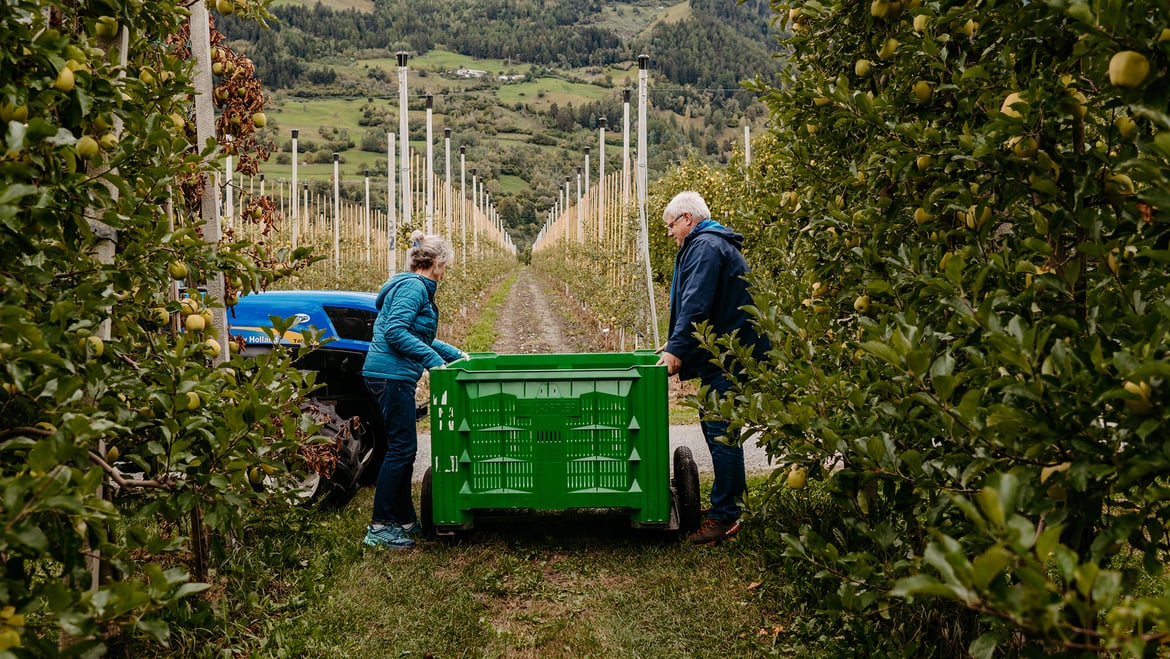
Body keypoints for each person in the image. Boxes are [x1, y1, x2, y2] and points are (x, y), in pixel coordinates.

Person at [656, 191, 768, 545]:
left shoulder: (705, 247)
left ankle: (726, 517)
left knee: (722, 434)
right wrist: (673, 343)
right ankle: (728, 504)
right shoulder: (709, 244)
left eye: (672, 225)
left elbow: (696, 303)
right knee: (717, 429)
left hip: (728, 358)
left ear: (687, 219)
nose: (671, 233)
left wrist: (677, 351)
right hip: (723, 354)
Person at [362, 234, 465, 550]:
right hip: (390, 374)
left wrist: (457, 356)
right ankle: (379, 527)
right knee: (402, 448)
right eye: (445, 266)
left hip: (390, 373)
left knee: (402, 447)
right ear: (436, 263)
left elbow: (419, 335)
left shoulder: (411, 286)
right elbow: (395, 332)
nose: (445, 272)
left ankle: (404, 519)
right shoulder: (414, 288)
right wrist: (434, 364)